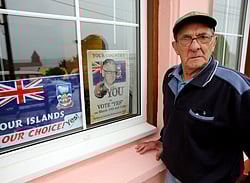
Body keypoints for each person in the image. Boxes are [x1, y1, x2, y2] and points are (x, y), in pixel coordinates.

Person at [135, 11, 250, 182]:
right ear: (175, 47)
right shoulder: (170, 77)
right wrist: (163, 141)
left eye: (203, 37)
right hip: (173, 175)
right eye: (186, 38)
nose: (195, 46)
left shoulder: (236, 88)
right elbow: (173, 118)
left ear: (213, 43)